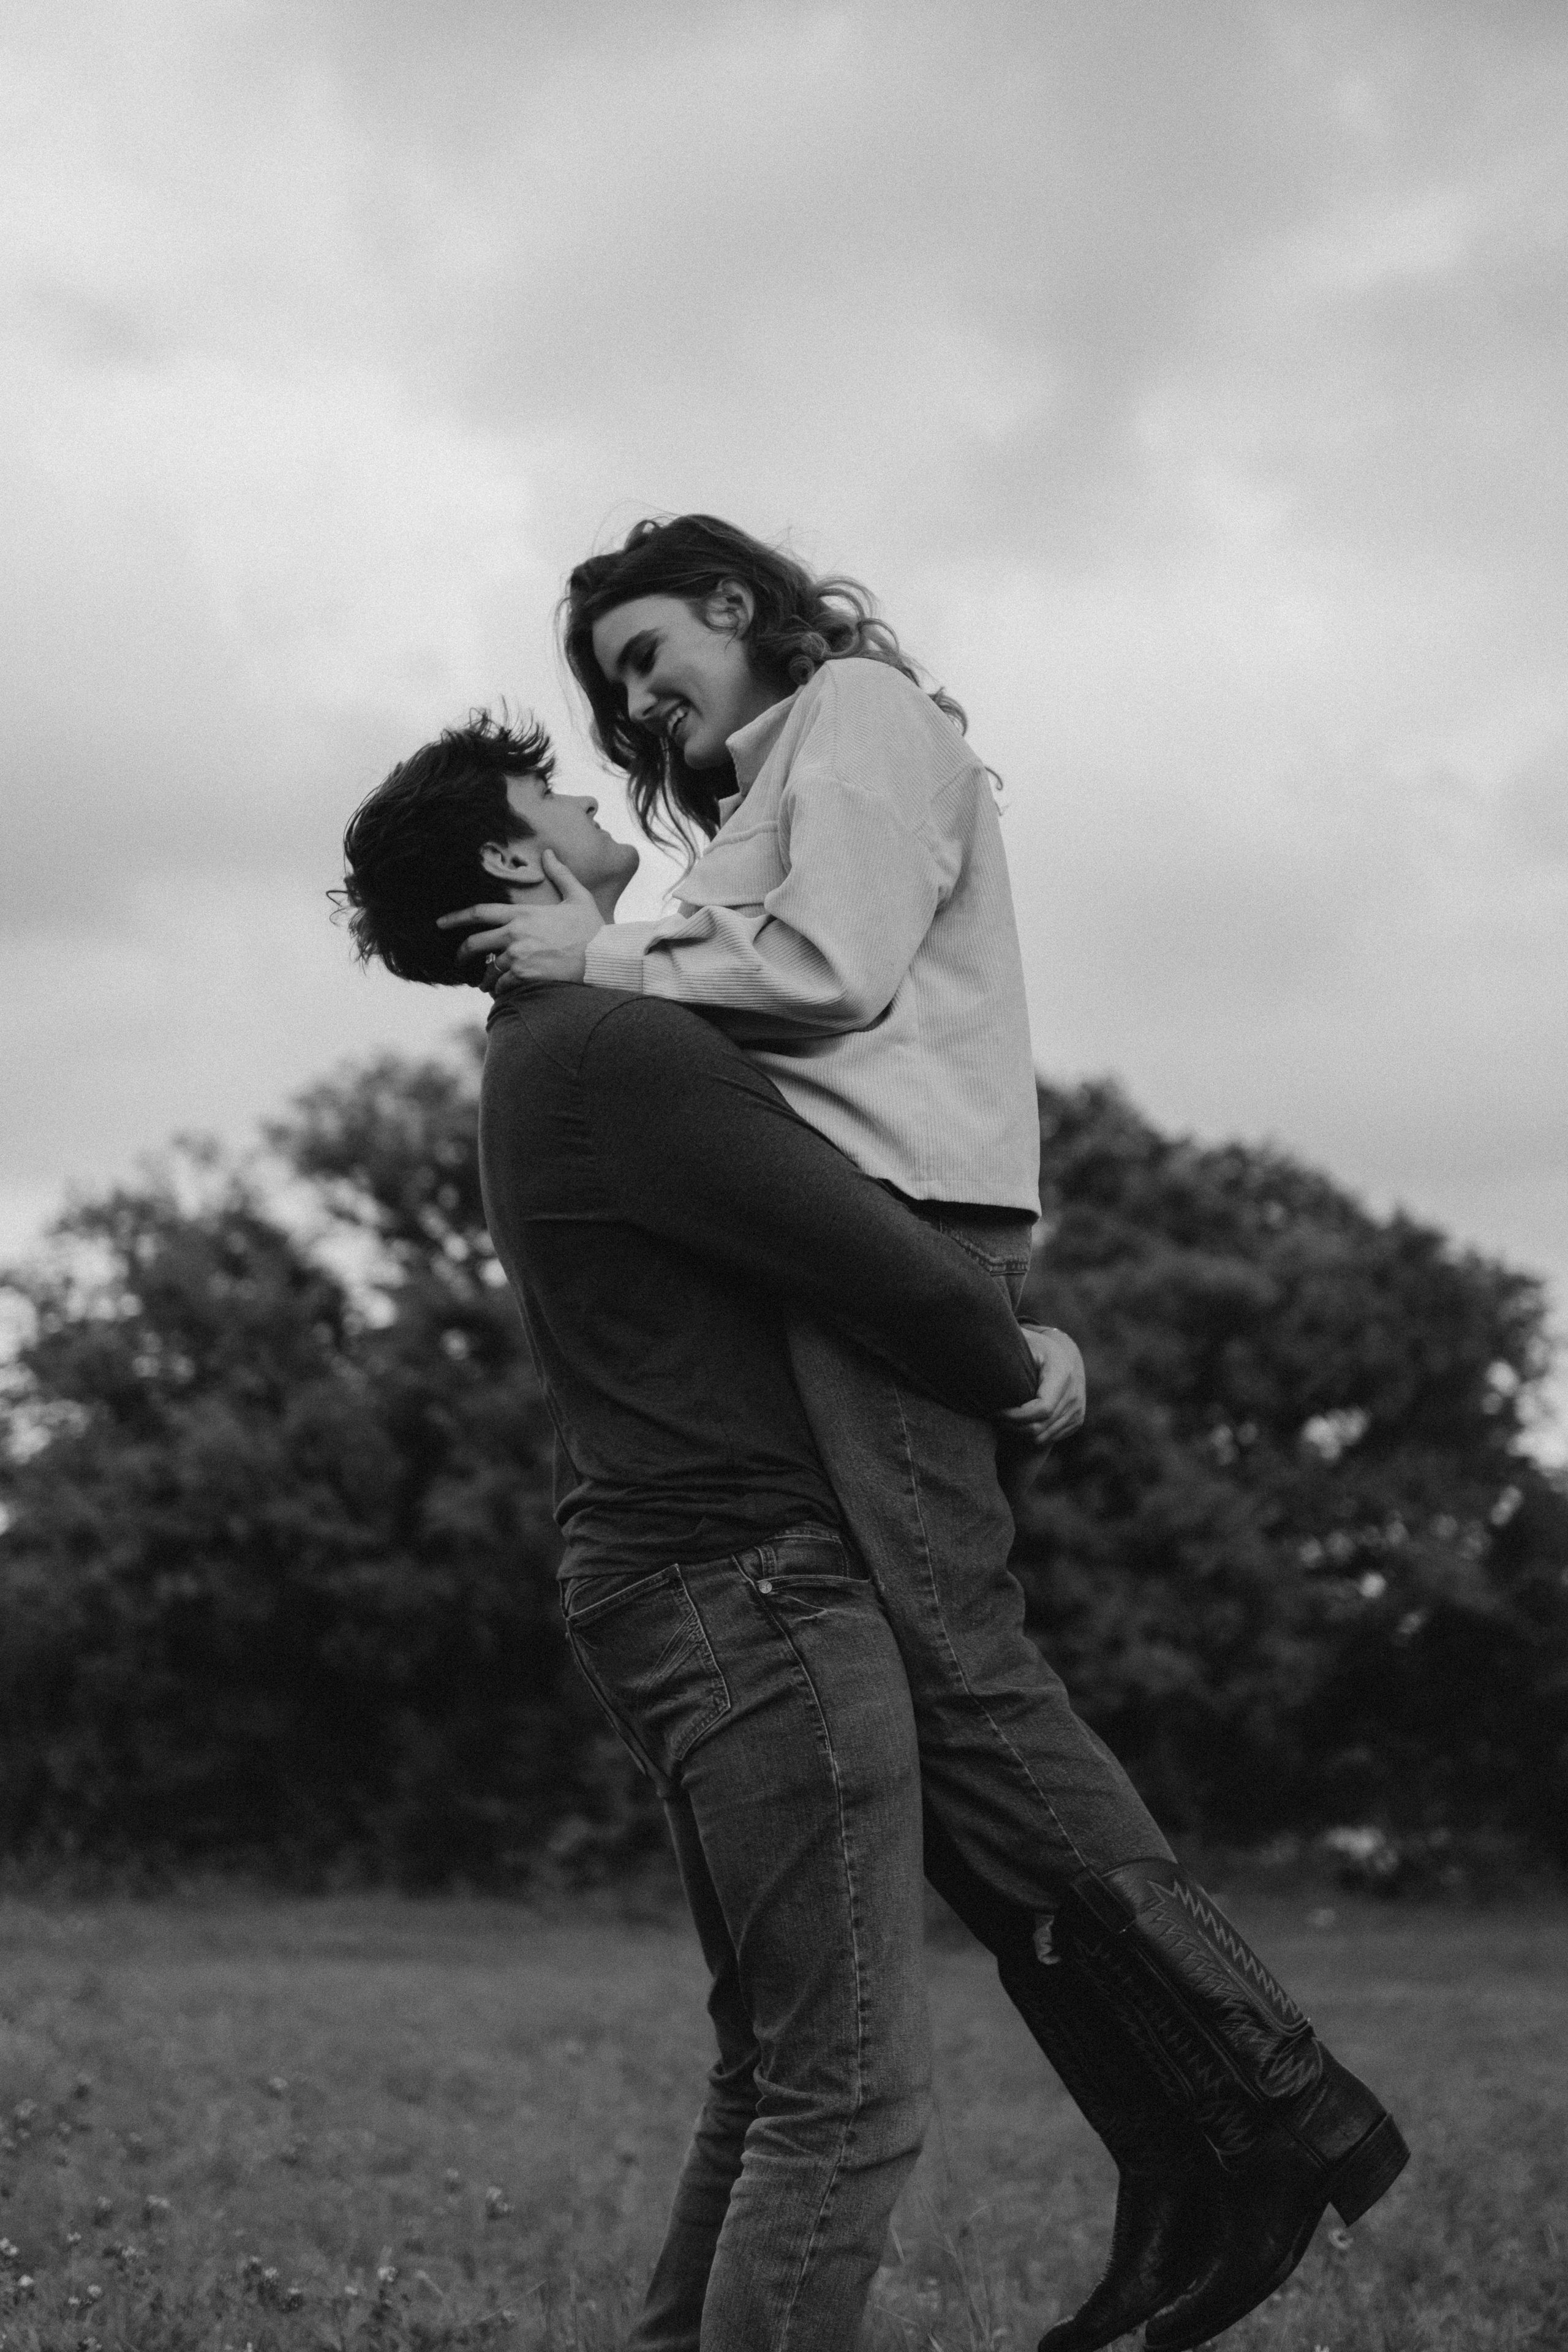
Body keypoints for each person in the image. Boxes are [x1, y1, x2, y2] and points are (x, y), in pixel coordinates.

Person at [437, 517, 1409, 2352]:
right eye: (616, 687)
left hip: (908, 1234)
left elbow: (829, 977)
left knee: (963, 1678)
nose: (640, 700)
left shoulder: (864, 715)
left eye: (652, 653)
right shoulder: (762, 795)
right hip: (863, 1242)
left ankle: (1273, 2108)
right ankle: (1188, 2135)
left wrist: (616, 963)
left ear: (741, 608)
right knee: (942, 1716)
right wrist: (625, 956)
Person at [339, 710, 1077, 2352]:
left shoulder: (549, 1053)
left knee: (777, 2074)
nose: (602, 802)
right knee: (850, 2092)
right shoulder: (622, 1051)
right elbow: (874, 1256)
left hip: (675, 1583)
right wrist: (1017, 1360)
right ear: (518, 856)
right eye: (563, 796)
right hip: (750, 1591)